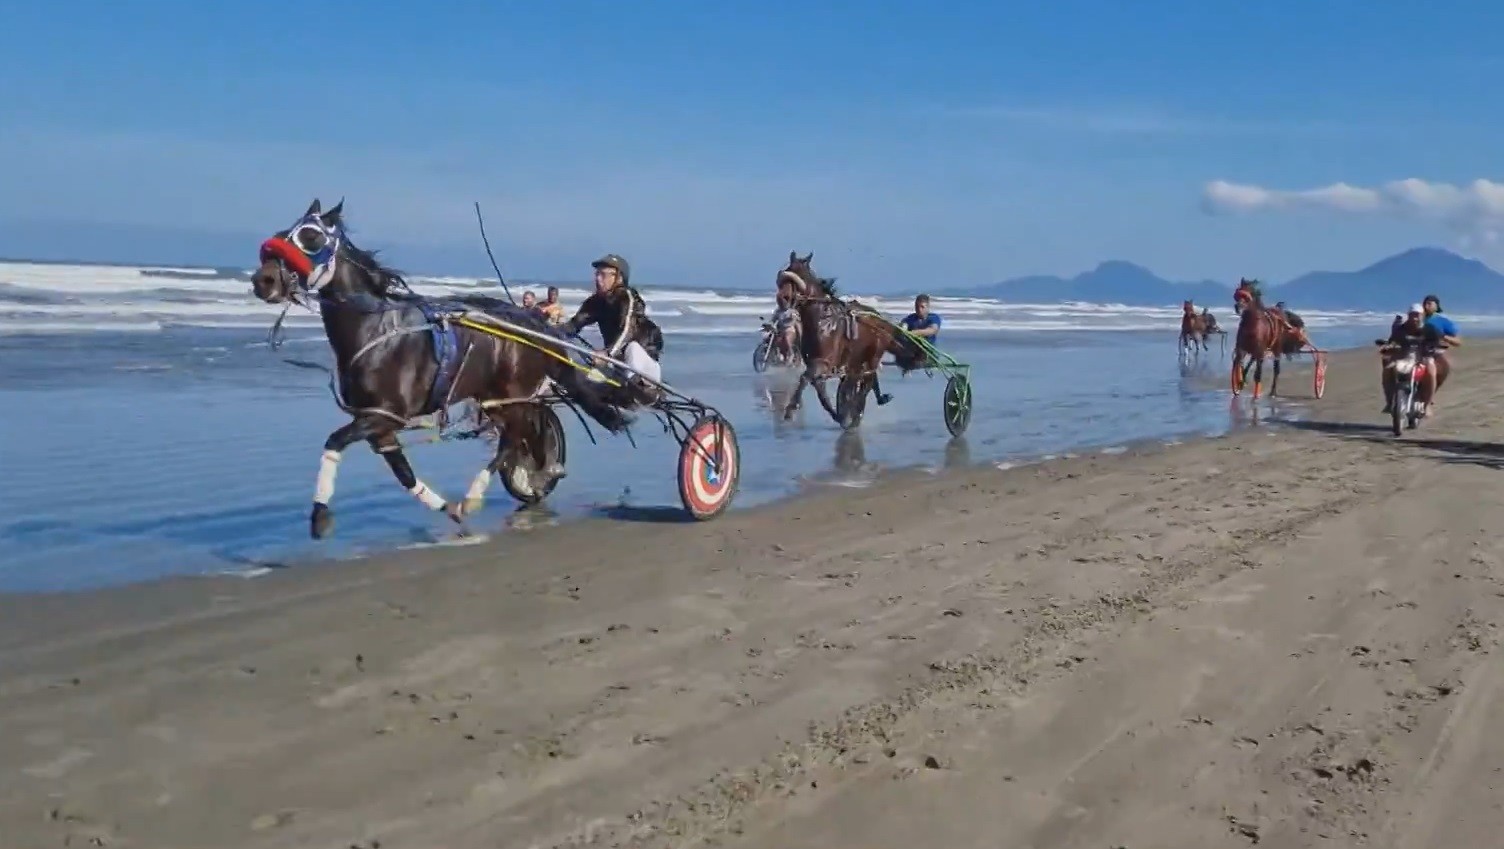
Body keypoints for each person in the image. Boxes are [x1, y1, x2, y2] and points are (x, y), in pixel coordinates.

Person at [564, 253, 664, 397]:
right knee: (579, 373)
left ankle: (638, 386)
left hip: (644, 368)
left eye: (603, 275)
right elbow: (573, 326)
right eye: (597, 274)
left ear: (619, 278)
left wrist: (607, 354)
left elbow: (627, 331)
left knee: (632, 348)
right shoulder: (596, 302)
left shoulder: (627, 298)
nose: (598, 279)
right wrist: (545, 329)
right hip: (616, 364)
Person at [1378, 304, 1444, 414]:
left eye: (1417, 315)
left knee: (1431, 371)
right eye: (1412, 315)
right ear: (1408, 316)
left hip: (1424, 356)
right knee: (1387, 369)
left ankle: (1427, 405)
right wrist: (1388, 347)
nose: (1414, 318)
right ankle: (1389, 402)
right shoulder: (1401, 329)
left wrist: (1437, 348)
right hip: (1405, 356)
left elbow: (1438, 342)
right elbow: (1393, 342)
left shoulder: (1429, 329)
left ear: (1422, 316)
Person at [770, 289, 799, 359]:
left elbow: (794, 320)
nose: (781, 303)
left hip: (789, 329)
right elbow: (773, 320)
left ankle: (791, 353)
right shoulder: (778, 311)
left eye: (782, 301)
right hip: (780, 330)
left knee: (786, 339)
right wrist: (771, 325)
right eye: (779, 302)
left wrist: (789, 321)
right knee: (774, 339)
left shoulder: (791, 311)